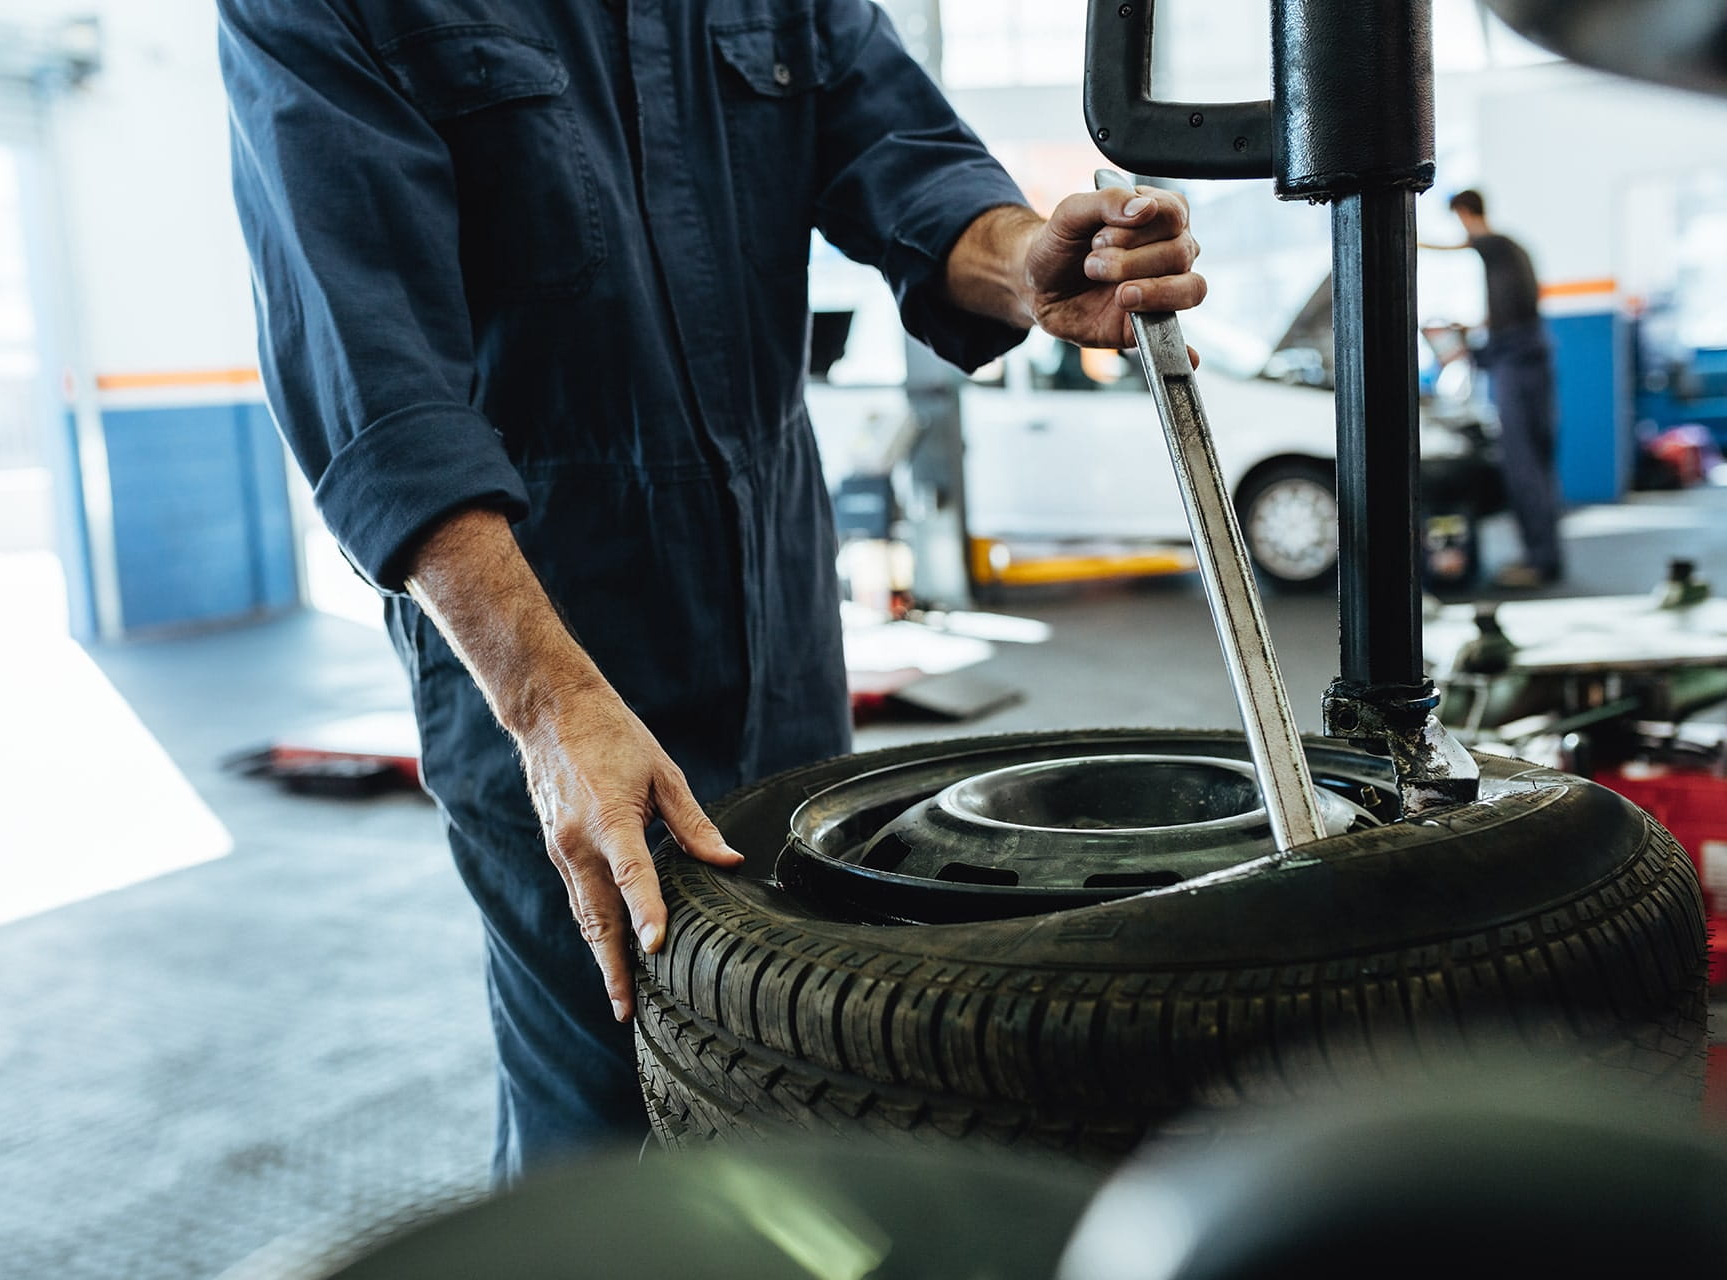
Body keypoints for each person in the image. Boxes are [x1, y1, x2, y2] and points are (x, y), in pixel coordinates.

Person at [218, 0, 1204, 1183]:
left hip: (781, 618)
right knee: (608, 1101)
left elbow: (908, 165)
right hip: (543, 642)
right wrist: (545, 706)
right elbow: (373, 379)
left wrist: (1028, 260)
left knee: (813, 1056)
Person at [1429, 189, 1563, 588]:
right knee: (1535, 465)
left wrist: (1405, 237)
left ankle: (1540, 563)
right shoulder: (1512, 252)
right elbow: (1508, 313)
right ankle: (1544, 558)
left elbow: (1459, 246)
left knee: (1524, 466)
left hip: (1517, 366)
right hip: (1525, 360)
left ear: (1465, 214)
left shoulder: (1495, 244)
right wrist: (1471, 332)